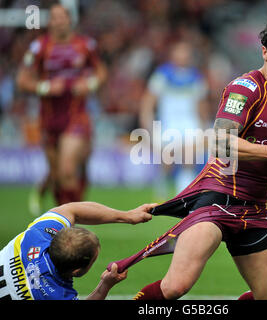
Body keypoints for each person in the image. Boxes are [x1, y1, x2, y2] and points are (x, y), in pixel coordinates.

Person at [108, 17, 267, 300]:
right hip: (217, 199)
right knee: (177, 285)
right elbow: (221, 141)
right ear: (265, 53)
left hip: (255, 209)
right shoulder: (244, 89)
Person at [17, 4, 107, 215]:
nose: (58, 21)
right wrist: (45, 87)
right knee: (58, 176)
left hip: (76, 116)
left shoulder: (85, 45)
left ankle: (76, 220)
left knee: (68, 170)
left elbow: (101, 72)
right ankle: (64, 218)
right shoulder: (39, 47)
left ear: (70, 19)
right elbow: (22, 80)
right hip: (49, 118)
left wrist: (90, 84)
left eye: (62, 17)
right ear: (50, 21)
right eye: (54, 18)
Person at [0, 200, 154, 300]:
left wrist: (127, 216)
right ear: (77, 271)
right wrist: (105, 284)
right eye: (93, 260)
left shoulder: (35, 235)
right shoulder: (60, 296)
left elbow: (71, 210)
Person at [139, 40, 209, 200]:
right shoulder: (163, 75)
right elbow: (149, 101)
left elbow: (201, 104)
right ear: (173, 55)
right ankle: (161, 187)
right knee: (167, 159)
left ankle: (185, 193)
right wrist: (147, 123)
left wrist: (204, 126)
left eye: (185, 53)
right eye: (179, 52)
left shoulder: (196, 77)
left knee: (189, 157)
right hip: (168, 122)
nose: (182, 56)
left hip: (189, 122)